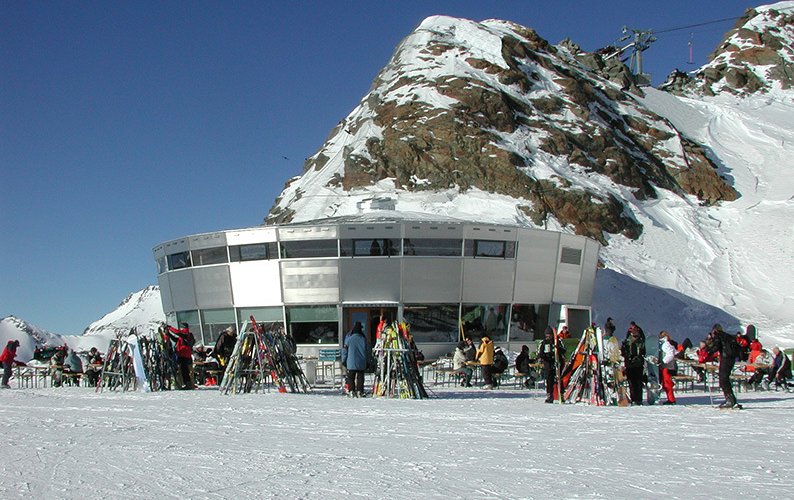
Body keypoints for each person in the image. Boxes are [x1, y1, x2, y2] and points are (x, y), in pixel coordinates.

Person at [706, 323, 741, 409]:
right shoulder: (728, 336)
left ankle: (730, 399)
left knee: (723, 379)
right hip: (731, 359)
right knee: (725, 378)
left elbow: (715, 347)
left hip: (725, 358)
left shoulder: (718, 336)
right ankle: (731, 399)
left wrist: (708, 350)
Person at [537, 327, 565, 403]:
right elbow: (539, 353)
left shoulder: (558, 341)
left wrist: (557, 348)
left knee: (559, 379)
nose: (548, 337)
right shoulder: (543, 343)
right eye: (547, 336)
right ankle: (550, 396)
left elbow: (564, 350)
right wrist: (541, 357)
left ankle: (561, 395)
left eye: (549, 335)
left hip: (557, 363)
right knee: (549, 381)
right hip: (548, 364)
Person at [341, 321, 369, 397]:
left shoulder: (349, 339)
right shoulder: (363, 339)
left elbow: (345, 350)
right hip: (361, 362)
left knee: (350, 377)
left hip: (351, 362)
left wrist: (343, 360)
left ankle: (351, 390)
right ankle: (360, 391)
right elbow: (367, 351)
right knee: (360, 377)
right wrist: (368, 361)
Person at [167, 322, 196, 390]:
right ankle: (185, 383)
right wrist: (169, 334)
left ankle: (188, 384)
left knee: (185, 370)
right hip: (182, 355)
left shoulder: (186, 334)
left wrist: (169, 328)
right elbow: (176, 339)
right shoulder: (183, 335)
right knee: (183, 370)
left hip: (184, 355)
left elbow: (177, 333)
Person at [621, 326, 646, 405]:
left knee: (634, 382)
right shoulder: (640, 342)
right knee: (636, 382)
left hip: (633, 364)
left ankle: (636, 399)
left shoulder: (628, 342)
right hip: (634, 364)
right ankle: (637, 399)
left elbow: (623, 352)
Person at [658, 331, 677, 405]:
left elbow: (670, 354)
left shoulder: (665, 344)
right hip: (667, 367)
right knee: (667, 384)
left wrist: (663, 361)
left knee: (667, 384)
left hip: (666, 367)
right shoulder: (667, 343)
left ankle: (671, 400)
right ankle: (670, 398)